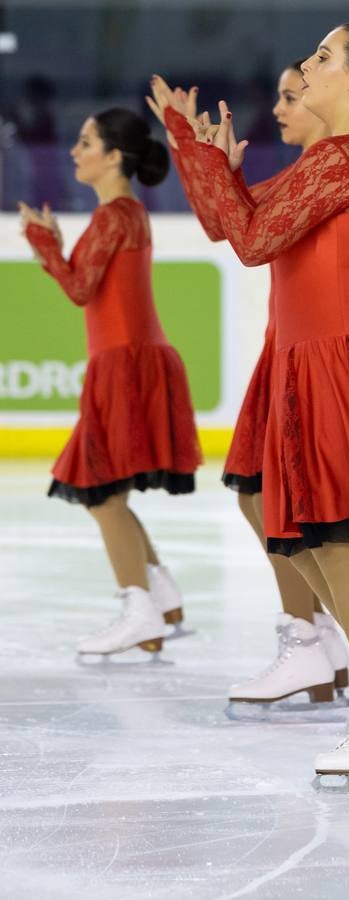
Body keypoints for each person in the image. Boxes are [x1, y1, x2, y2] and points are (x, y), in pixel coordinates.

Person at [155, 21, 349, 776]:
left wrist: (197, 154)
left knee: (341, 540)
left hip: (342, 362)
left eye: (325, 57)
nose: (311, 66)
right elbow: (237, 225)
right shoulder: (340, 158)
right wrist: (202, 159)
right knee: (312, 534)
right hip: (320, 358)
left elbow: (252, 239)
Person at [148, 64, 349, 708]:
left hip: (316, 354)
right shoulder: (303, 174)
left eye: (294, 96)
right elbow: (224, 222)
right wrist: (192, 148)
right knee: (261, 492)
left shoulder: (332, 168)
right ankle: (315, 636)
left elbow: (247, 236)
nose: (282, 108)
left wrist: (205, 159)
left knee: (282, 501)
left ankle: (318, 639)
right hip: (287, 348)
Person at [19, 108, 201, 657]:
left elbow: (78, 289)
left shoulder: (112, 218)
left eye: (85, 142)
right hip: (135, 360)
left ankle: (140, 608)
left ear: (114, 155)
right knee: (108, 491)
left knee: (102, 494)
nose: (75, 152)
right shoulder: (130, 214)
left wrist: (42, 242)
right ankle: (159, 592)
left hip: (124, 364)